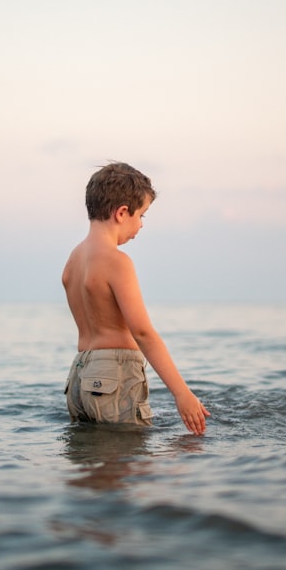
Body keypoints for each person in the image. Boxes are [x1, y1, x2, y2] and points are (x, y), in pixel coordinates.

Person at [62, 162, 210, 435]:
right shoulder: (117, 262)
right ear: (121, 213)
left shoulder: (74, 259)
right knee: (127, 465)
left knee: (92, 469)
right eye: (142, 215)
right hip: (113, 376)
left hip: (80, 376)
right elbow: (142, 332)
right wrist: (182, 393)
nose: (141, 224)